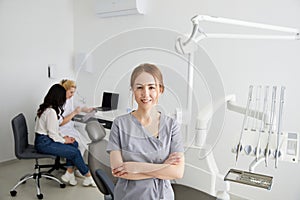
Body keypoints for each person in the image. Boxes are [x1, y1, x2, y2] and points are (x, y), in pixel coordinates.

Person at [107, 63, 185, 200]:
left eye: (151, 87)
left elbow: (178, 172)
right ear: (132, 90)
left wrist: (137, 167)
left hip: (162, 195)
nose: (146, 93)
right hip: (128, 196)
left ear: (160, 90)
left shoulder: (171, 126)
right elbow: (118, 171)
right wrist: (164, 167)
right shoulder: (119, 124)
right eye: (139, 88)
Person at [34, 84, 96, 187]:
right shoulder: (51, 112)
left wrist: (64, 138)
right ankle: (88, 176)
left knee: (74, 143)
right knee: (75, 152)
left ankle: (69, 173)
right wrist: (64, 140)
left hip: (45, 139)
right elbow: (53, 134)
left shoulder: (48, 108)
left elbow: (53, 130)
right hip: (44, 143)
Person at [59, 79, 94, 157]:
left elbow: (79, 106)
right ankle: (71, 168)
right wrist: (74, 113)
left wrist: (87, 110)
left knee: (84, 143)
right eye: (71, 92)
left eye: (73, 92)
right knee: (79, 145)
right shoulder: (58, 102)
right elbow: (60, 123)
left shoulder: (70, 99)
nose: (72, 94)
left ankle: (75, 166)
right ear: (64, 90)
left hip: (69, 127)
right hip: (60, 130)